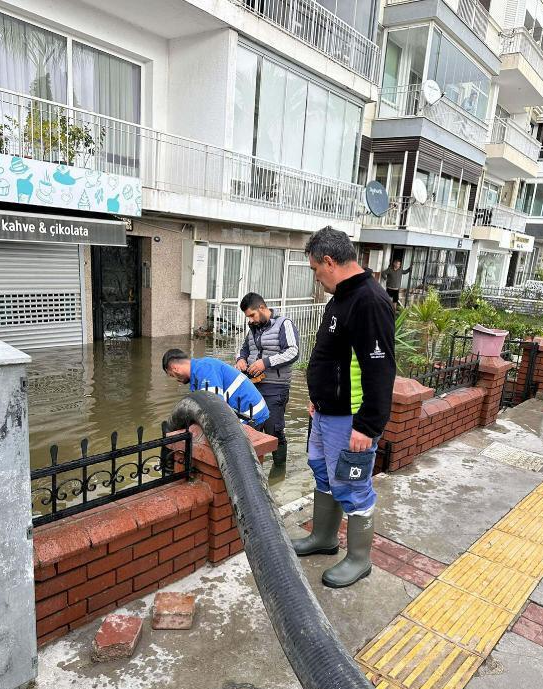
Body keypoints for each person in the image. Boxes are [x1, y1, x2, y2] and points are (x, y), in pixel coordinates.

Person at [292, 227, 396, 589]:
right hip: (324, 411)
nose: (315, 277)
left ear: (329, 262)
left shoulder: (369, 301)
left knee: (353, 487)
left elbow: (380, 369)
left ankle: (358, 559)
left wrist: (367, 427)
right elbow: (332, 357)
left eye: (314, 270)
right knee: (322, 472)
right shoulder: (341, 298)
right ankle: (324, 538)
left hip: (349, 417)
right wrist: (317, 397)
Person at [236, 293, 299, 466]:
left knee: (274, 430)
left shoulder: (284, 324)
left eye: (252, 315)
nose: (250, 320)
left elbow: (293, 352)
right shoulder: (253, 327)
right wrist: (240, 359)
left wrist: (266, 363)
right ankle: (255, 472)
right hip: (252, 386)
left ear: (262, 308)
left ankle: (279, 471)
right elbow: (244, 349)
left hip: (276, 388)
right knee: (251, 429)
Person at [162, 349, 269, 428]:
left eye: (172, 375)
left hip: (251, 415)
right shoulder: (198, 372)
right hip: (245, 411)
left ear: (175, 368)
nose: (176, 380)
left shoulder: (204, 369)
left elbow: (214, 407)